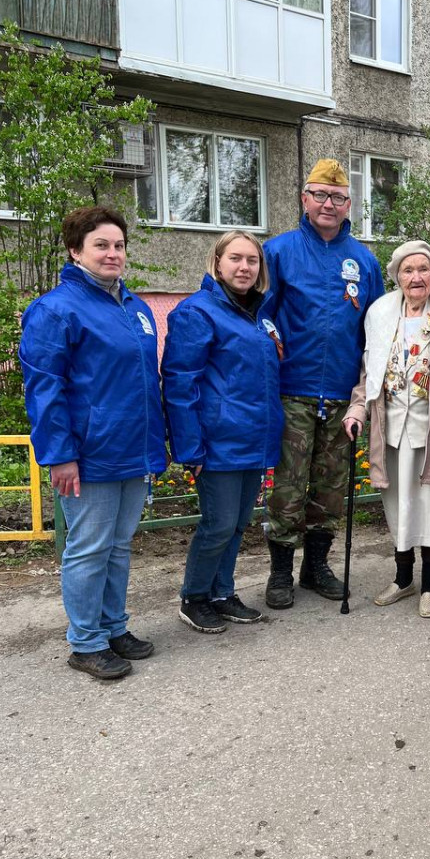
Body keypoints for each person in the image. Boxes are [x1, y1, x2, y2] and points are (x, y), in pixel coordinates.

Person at [19, 206, 167, 680]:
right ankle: (85, 642)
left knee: (119, 546)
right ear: (75, 251)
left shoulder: (137, 308)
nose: (112, 253)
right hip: (89, 454)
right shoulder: (56, 309)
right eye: (101, 245)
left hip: (132, 448)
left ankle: (112, 627)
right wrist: (60, 455)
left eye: (119, 245)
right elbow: (45, 388)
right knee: (88, 547)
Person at [262, 159, 384, 609]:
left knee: (331, 488)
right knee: (289, 487)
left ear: (349, 204)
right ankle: (279, 573)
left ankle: (316, 567)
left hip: (341, 396)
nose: (328, 204)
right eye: (319, 195)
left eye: (337, 197)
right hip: (292, 390)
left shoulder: (364, 261)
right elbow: (261, 314)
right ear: (304, 199)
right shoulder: (277, 252)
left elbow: (376, 328)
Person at [162, 231, 284, 634]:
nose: (245, 267)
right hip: (217, 442)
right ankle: (194, 597)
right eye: (236, 258)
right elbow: (180, 383)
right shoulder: (196, 312)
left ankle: (221, 592)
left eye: (252, 260)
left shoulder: (260, 314)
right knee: (218, 524)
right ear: (217, 262)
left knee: (236, 524)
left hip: (253, 439)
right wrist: (190, 447)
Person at [342, 240, 430, 617]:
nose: (417, 277)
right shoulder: (380, 313)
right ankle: (402, 578)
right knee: (398, 505)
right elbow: (370, 371)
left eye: (423, 269)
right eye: (408, 271)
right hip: (392, 425)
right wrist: (356, 410)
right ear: (397, 277)